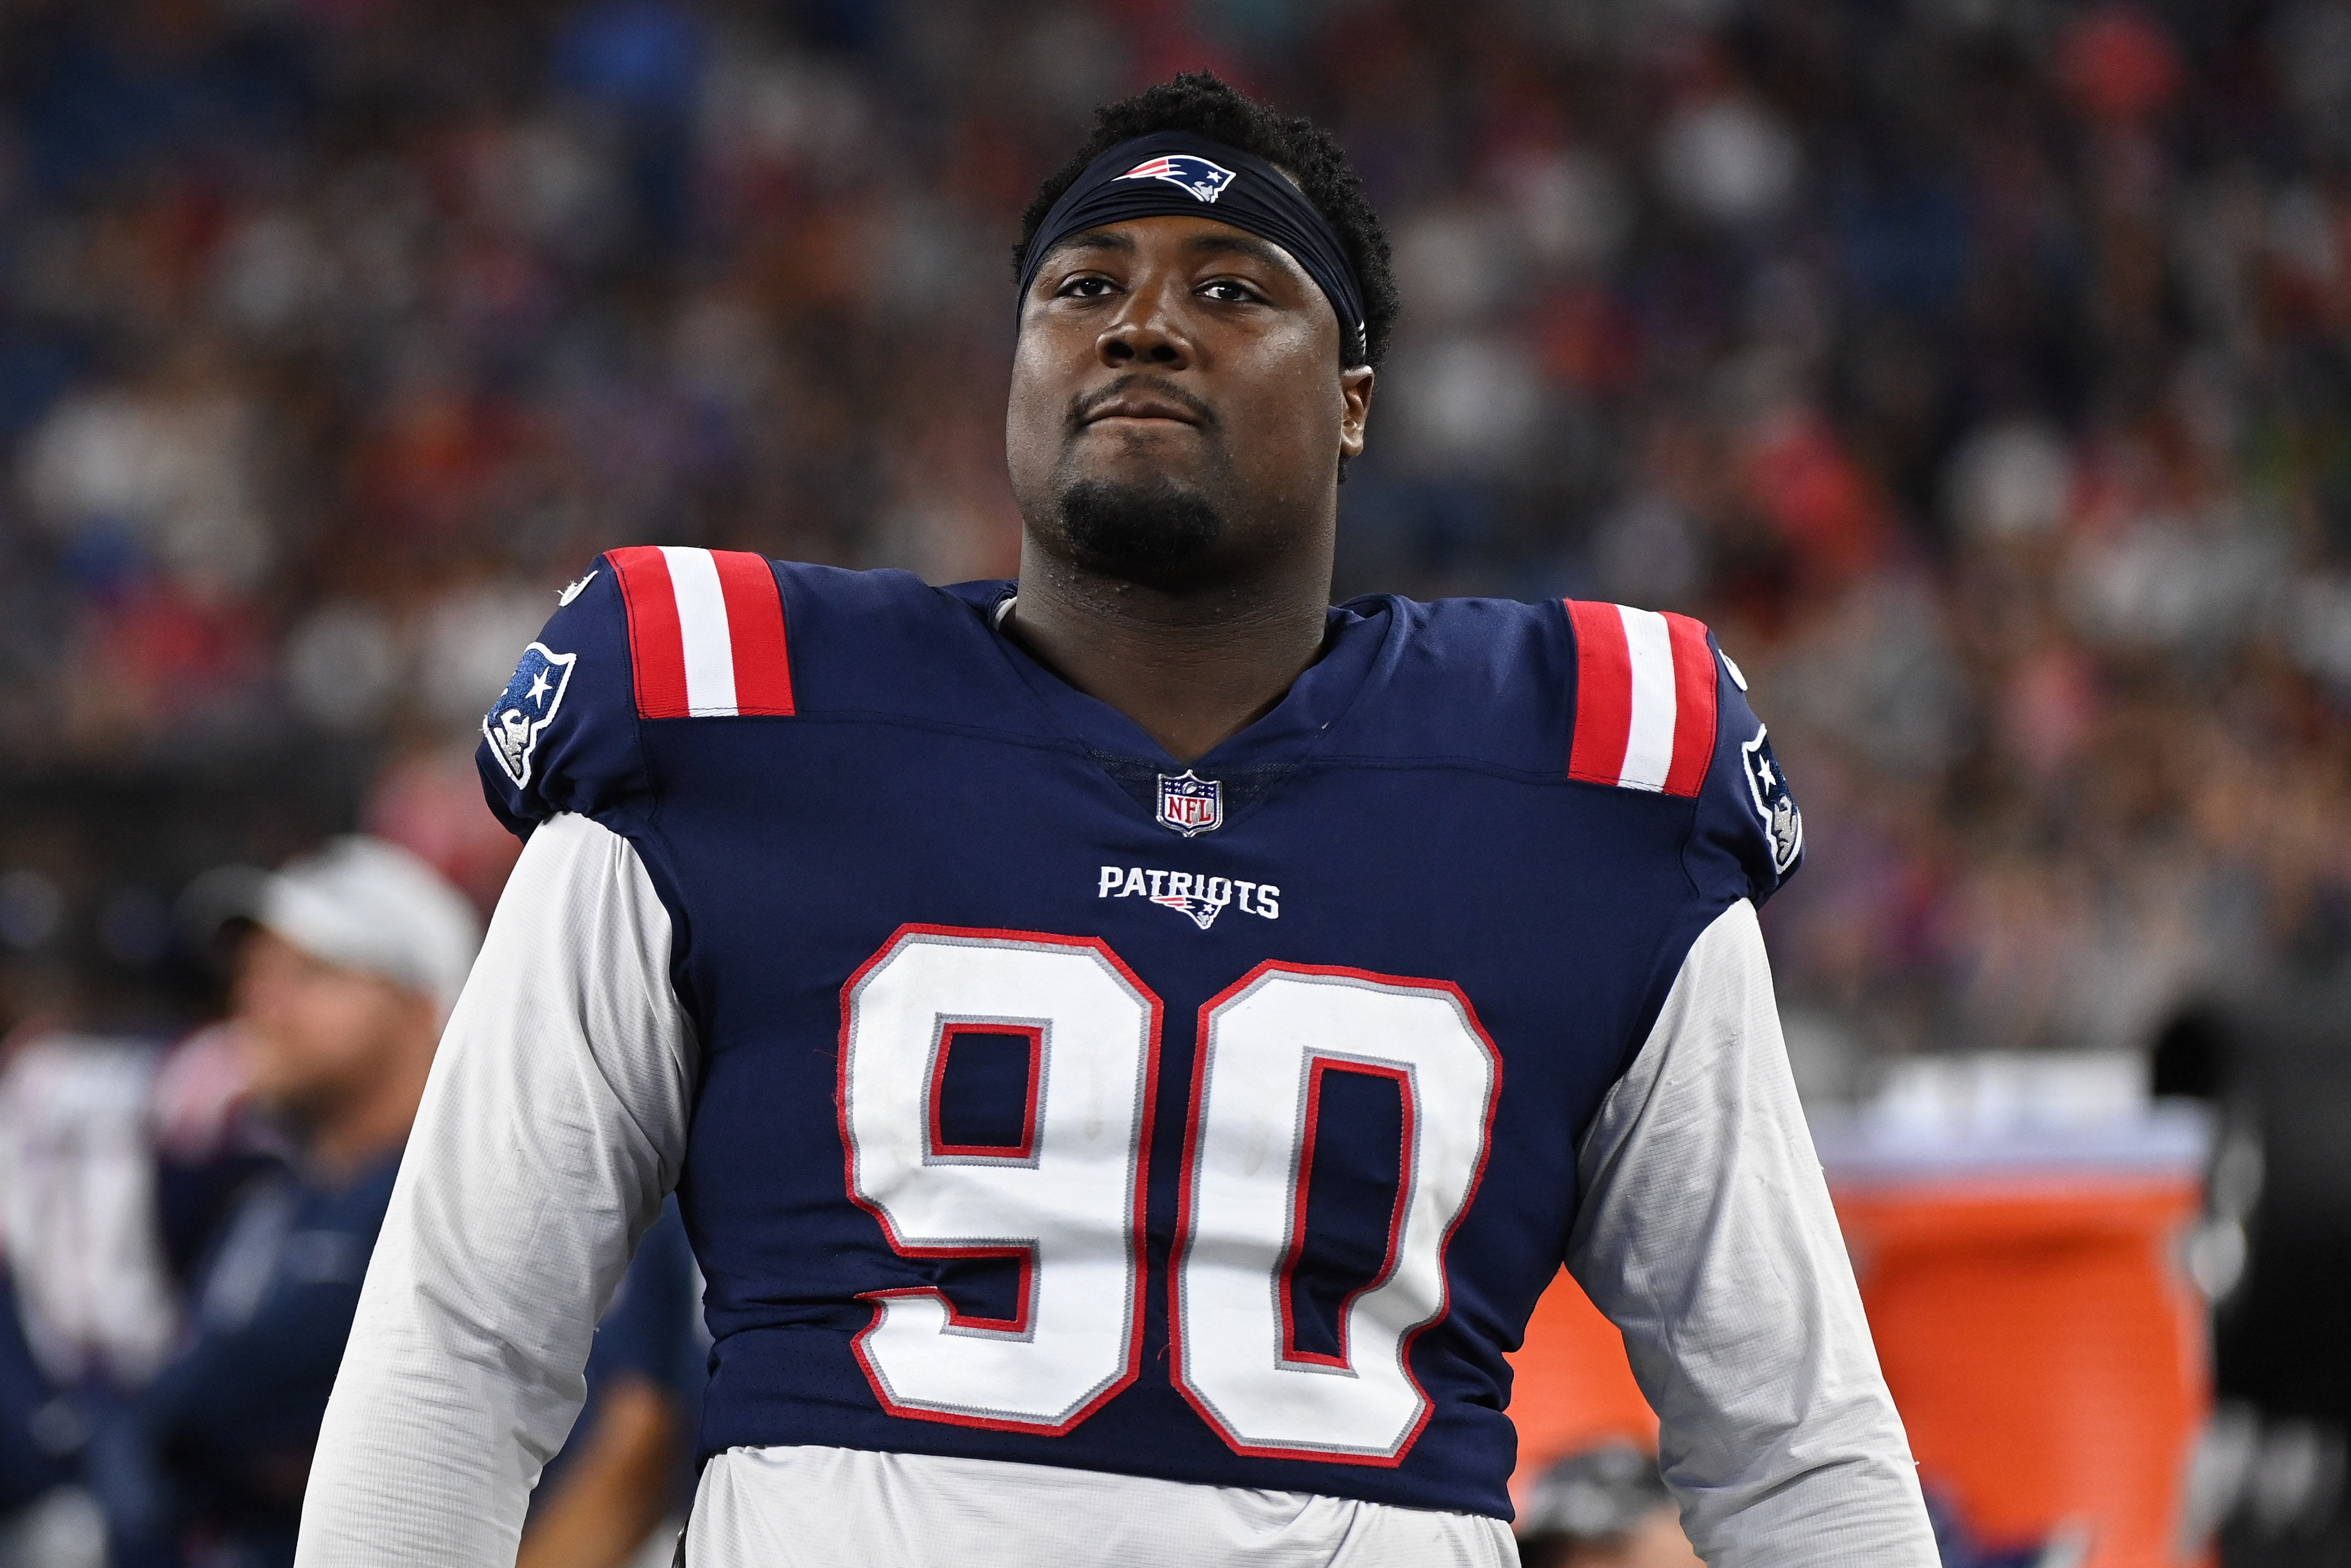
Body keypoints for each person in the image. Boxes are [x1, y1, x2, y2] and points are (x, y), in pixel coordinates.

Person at [298, 73, 1939, 1567]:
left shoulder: (1585, 775)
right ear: (1014, 363)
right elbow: (461, 1342)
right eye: (1084, 287)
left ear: (1356, 400)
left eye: (1229, 289)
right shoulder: (718, 717)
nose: (1140, 326)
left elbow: (1787, 1439)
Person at [91, 837, 479, 1568]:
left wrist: (173, 1430)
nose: (257, 1002)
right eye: (250, 974)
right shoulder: (267, 1205)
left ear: (424, 1005)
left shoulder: (468, 1208)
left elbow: (215, 1414)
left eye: (311, 973)